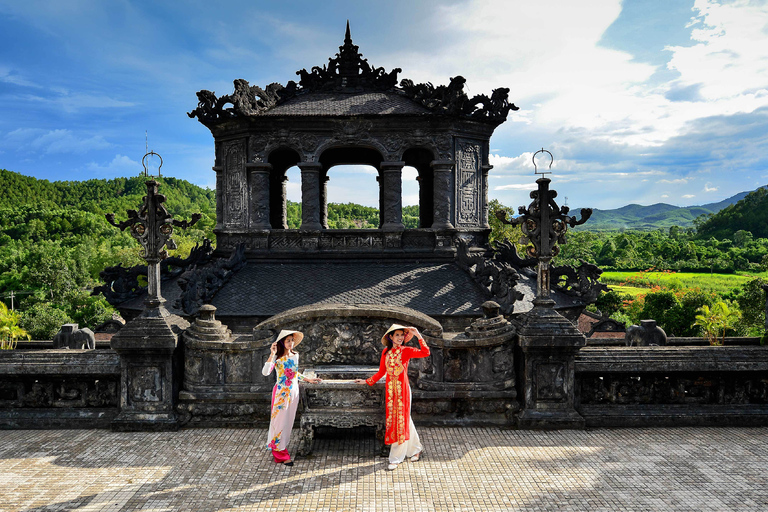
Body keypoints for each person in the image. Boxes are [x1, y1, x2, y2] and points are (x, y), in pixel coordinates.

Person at [355, 324, 430, 470]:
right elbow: (381, 372)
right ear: (390, 337)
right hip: (391, 392)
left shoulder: (406, 351)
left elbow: (425, 352)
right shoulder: (385, 352)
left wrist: (418, 335)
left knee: (399, 421)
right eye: (397, 335)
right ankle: (416, 449)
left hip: (403, 390)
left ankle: (396, 458)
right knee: (404, 419)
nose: (400, 338)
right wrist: (367, 381)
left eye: (402, 335)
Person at [262, 329, 321, 466]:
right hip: (281, 394)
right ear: (282, 343)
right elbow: (265, 372)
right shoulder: (277, 358)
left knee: (288, 422)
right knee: (279, 422)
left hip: (293, 391)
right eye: (288, 341)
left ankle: (281, 447)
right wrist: (272, 354)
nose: (291, 343)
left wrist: (307, 379)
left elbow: (294, 374)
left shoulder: (295, 355)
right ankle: (280, 454)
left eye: (292, 340)